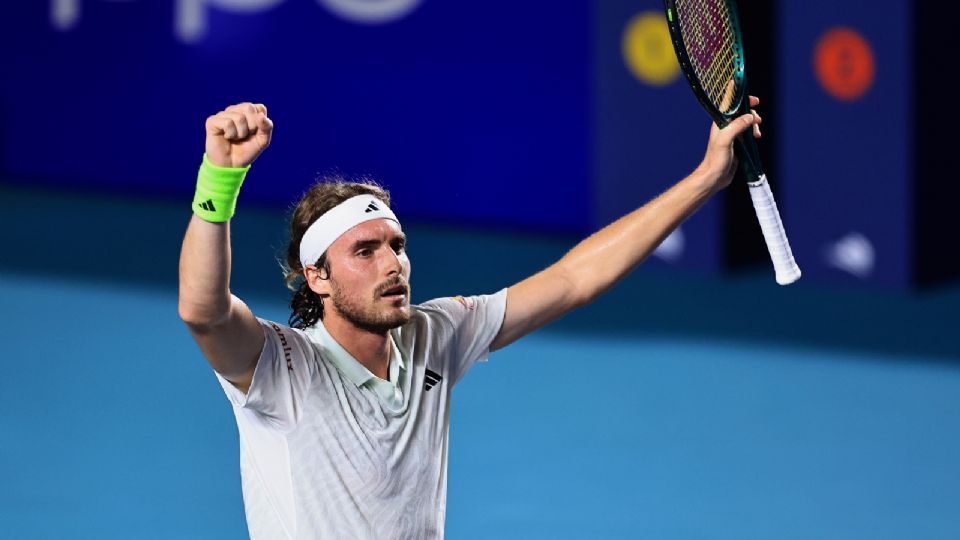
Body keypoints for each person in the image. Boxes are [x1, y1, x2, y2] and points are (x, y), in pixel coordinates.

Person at [178, 99, 763, 539]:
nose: (393, 265)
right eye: (365, 251)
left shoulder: (434, 333)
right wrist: (218, 181)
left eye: (396, 244)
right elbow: (203, 312)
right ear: (317, 277)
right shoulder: (279, 369)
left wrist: (706, 178)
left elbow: (572, 279)